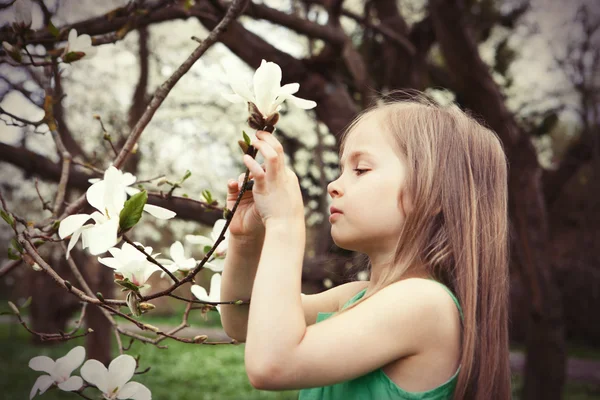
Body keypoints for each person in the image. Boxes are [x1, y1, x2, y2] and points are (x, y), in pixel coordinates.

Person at [220, 91, 511, 400]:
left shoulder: (425, 303)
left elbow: (271, 364)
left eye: (360, 170)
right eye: (341, 169)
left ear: (434, 194)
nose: (334, 185)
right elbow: (243, 320)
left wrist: (284, 224)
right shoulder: (354, 298)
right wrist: (245, 240)